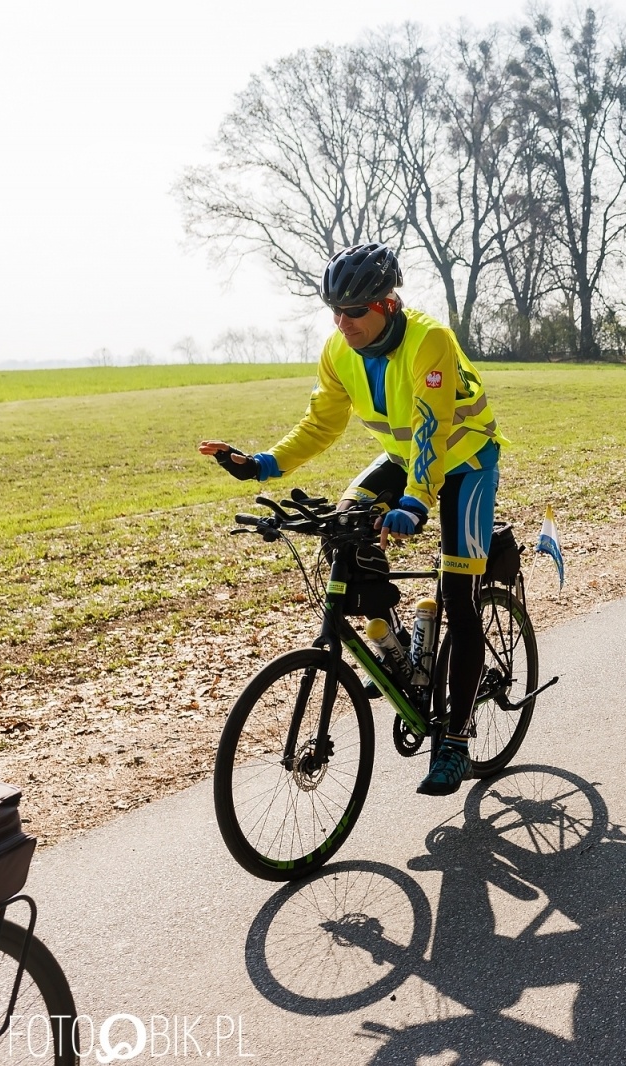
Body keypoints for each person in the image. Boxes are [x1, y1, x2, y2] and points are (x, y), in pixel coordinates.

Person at [198, 242, 506, 797]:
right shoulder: (339, 350)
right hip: (400, 460)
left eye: (353, 311)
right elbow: (320, 423)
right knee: (344, 531)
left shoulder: (428, 340)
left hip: (465, 463)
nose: (342, 323)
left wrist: (414, 503)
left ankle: (456, 740)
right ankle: (401, 657)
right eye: (334, 312)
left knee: (460, 596)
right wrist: (263, 464)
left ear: (387, 304)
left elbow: (432, 432)